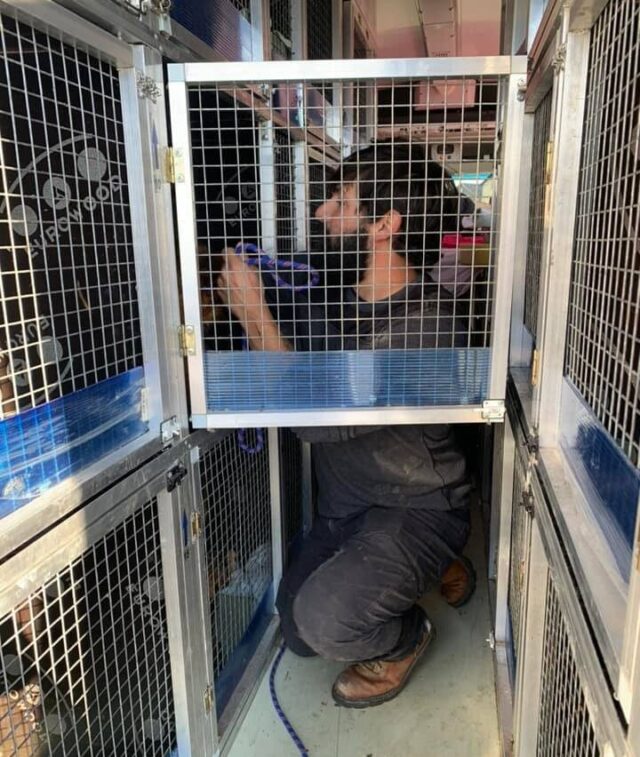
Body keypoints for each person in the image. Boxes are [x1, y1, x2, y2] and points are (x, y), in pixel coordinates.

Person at [218, 141, 475, 708]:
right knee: (295, 631)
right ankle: (413, 573)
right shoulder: (332, 298)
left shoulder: (426, 324)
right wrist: (244, 305)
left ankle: (409, 635)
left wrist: (253, 311)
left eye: (339, 201)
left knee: (325, 622)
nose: (319, 213)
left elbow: (312, 418)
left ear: (384, 224)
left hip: (417, 506)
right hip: (348, 506)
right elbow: (279, 355)